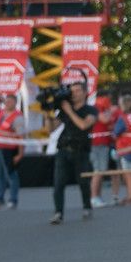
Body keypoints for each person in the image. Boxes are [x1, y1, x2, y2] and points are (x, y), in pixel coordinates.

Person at [46, 77, 97, 225]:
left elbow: (83, 125)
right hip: (63, 148)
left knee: (83, 181)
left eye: (77, 90)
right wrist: (48, 114)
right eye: (72, 91)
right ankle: (58, 212)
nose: (74, 94)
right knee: (58, 183)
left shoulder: (90, 110)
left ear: (85, 92)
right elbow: (51, 129)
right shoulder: (65, 109)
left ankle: (87, 206)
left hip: (81, 150)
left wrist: (69, 111)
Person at [0, 95, 23, 209]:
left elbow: (21, 136)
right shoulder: (0, 113)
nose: (8, 103)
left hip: (9, 149)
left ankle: (13, 199)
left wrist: (20, 153)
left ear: (15, 103)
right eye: (6, 101)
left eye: (10, 101)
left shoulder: (18, 117)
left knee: (11, 175)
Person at [87, 93, 114, 206]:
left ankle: (98, 196)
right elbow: (105, 119)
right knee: (98, 170)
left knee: (101, 171)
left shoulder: (101, 106)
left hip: (103, 142)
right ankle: (93, 197)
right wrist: (109, 111)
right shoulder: (97, 105)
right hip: (97, 143)